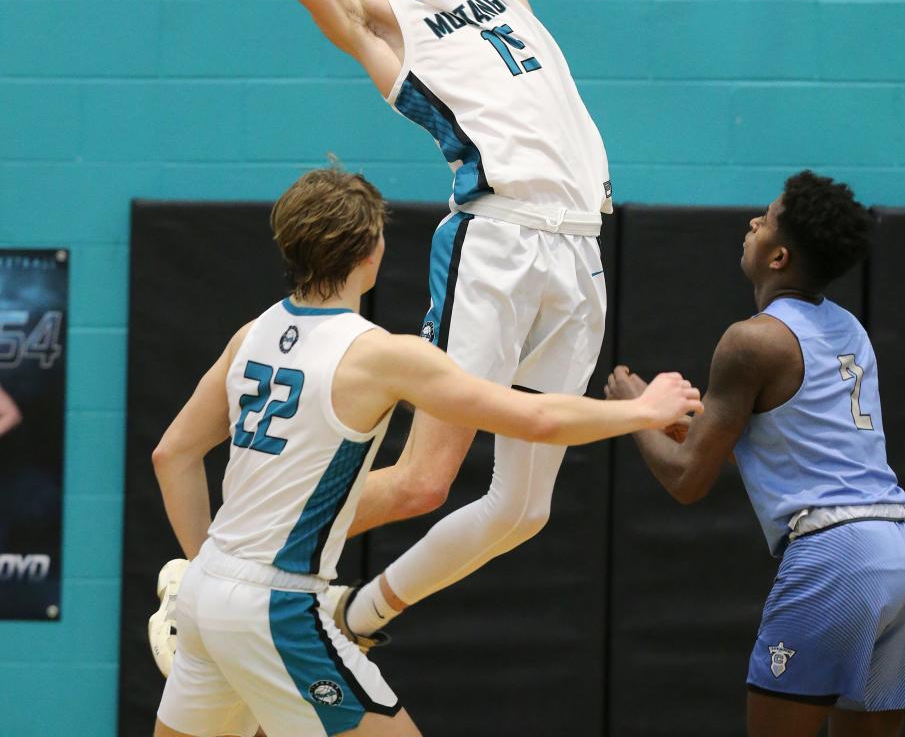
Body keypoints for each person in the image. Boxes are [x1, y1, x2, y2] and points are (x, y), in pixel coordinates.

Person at [163, 0, 615, 642]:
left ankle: (357, 615)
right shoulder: (380, 24)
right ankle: (219, 571)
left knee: (524, 512)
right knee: (421, 482)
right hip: (498, 240)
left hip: (581, 248)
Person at [151, 167, 702, 737]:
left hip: (201, 595)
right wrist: (644, 410)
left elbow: (172, 456)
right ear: (372, 253)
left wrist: (207, 576)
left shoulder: (251, 335)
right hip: (275, 606)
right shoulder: (382, 357)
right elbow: (536, 415)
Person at [606, 170, 905, 737]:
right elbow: (804, 457)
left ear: (778, 256)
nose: (752, 222)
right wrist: (697, 430)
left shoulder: (751, 340)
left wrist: (634, 412)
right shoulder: (850, 329)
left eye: (766, 218)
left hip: (839, 559)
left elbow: (688, 482)